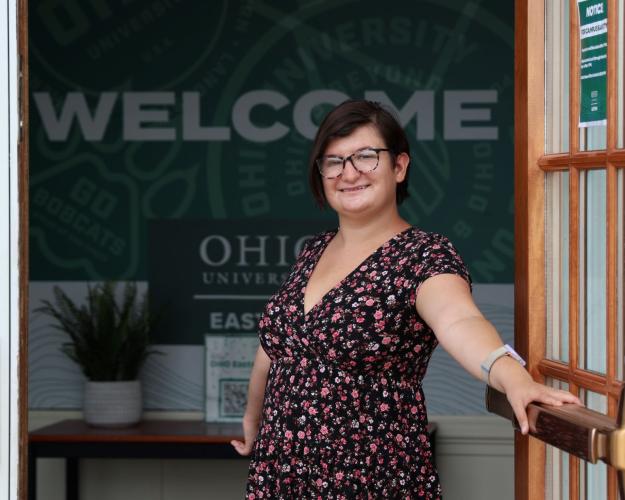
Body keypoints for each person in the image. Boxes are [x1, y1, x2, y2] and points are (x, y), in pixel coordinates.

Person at [231, 99, 580, 498]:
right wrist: (252, 416)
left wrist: (513, 377)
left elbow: (460, 321)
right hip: (282, 473)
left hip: (371, 476)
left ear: (399, 166)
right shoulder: (314, 250)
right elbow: (278, 347)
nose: (349, 173)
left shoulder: (424, 255)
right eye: (333, 161)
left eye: (366, 157)